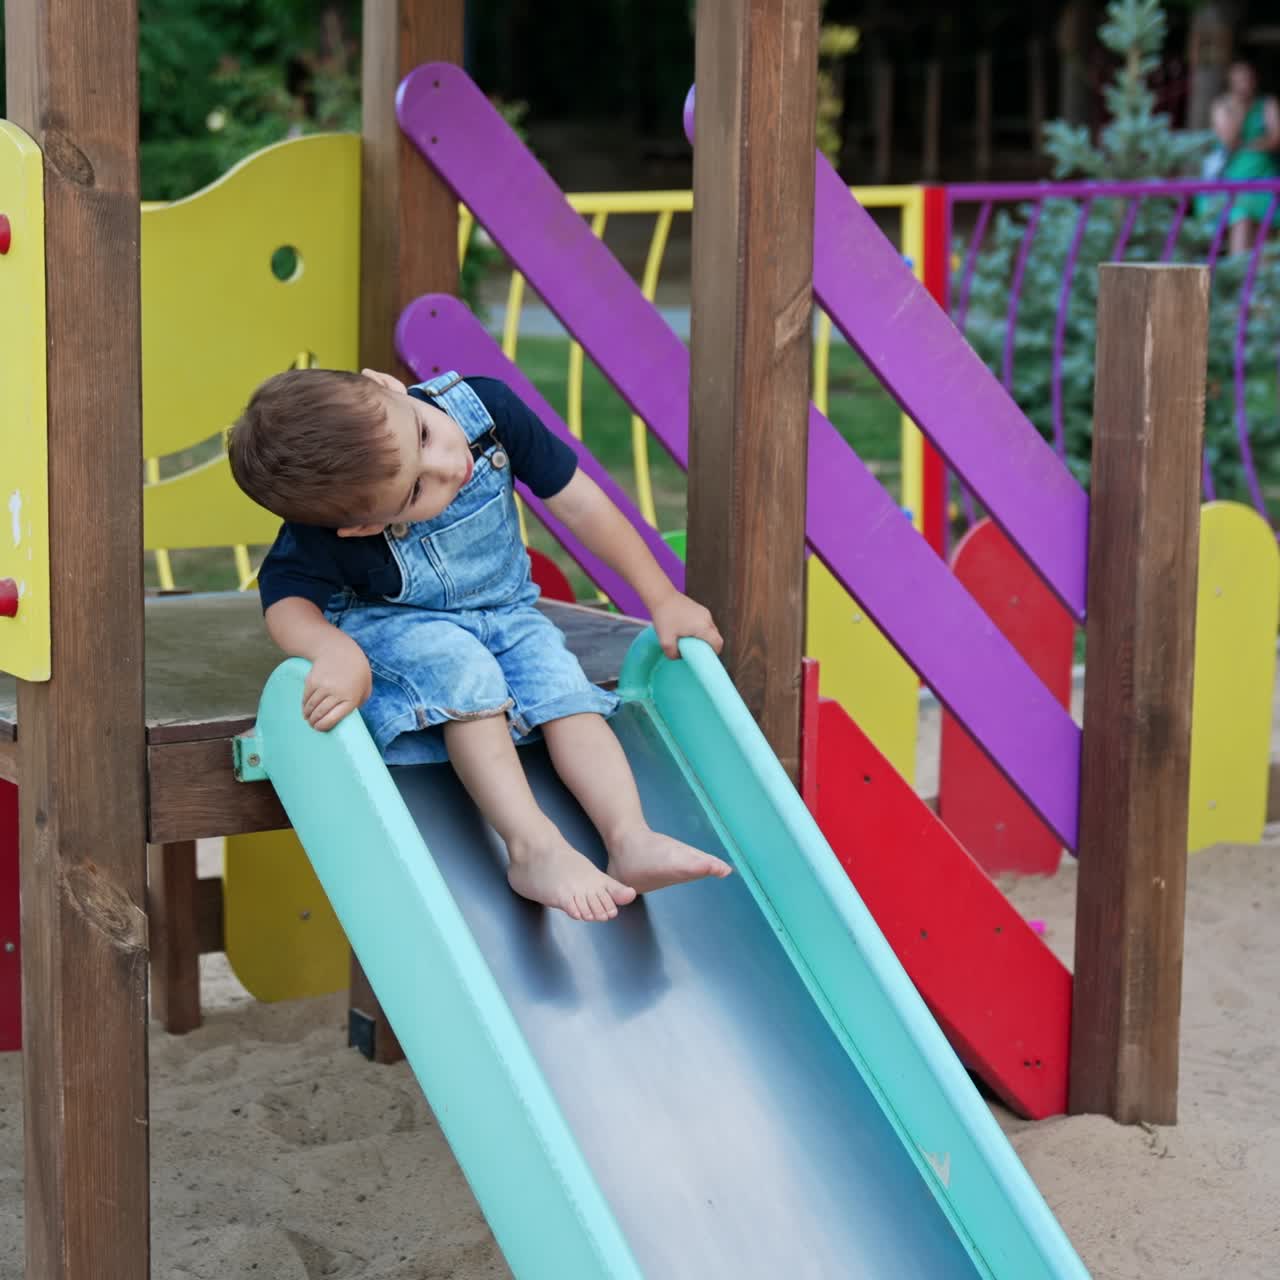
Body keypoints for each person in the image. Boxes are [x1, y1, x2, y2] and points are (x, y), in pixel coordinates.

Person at [229, 366, 732, 923]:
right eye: (417, 490)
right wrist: (332, 650)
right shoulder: (323, 532)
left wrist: (661, 597)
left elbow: (578, 502)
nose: (448, 464)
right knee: (464, 670)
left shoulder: (483, 411)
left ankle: (630, 839)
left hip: (507, 610)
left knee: (561, 685)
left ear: (389, 385)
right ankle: (532, 848)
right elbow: (285, 601)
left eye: (422, 434)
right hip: (398, 623)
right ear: (362, 529)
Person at [1208, 61, 1280, 255]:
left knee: (1266, 231)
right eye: (1239, 79)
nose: (1244, 84)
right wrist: (1240, 110)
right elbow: (1229, 141)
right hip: (1234, 175)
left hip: (1264, 174)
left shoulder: (1267, 103)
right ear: (1230, 81)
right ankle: (1239, 278)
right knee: (1242, 220)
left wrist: (1249, 145)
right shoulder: (1222, 105)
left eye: (1247, 78)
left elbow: (1275, 139)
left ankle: (1263, 282)